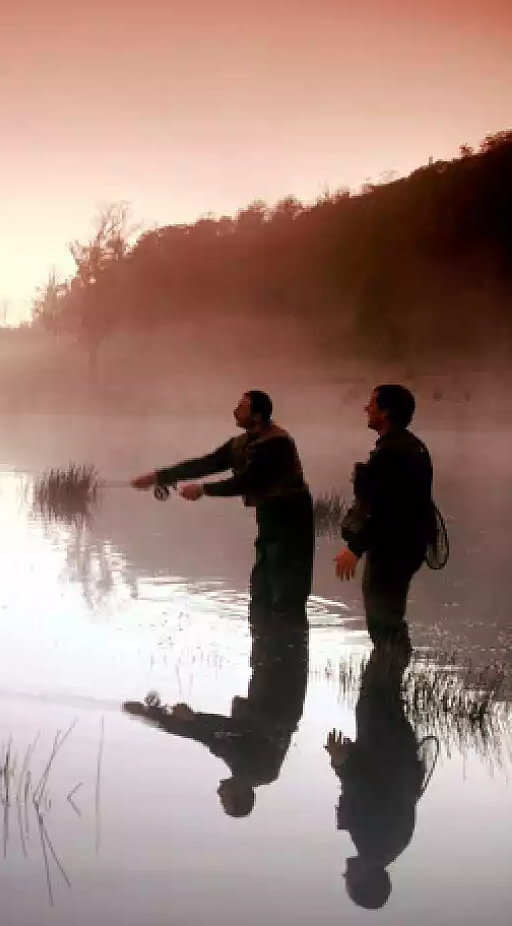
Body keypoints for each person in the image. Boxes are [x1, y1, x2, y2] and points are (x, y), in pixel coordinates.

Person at [131, 390, 315, 628]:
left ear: (257, 416)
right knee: (262, 591)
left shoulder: (276, 444)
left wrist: (203, 490)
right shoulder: (242, 443)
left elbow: (247, 482)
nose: (235, 411)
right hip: (270, 518)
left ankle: (289, 646)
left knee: (287, 595)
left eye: (242, 407)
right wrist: (158, 477)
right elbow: (206, 464)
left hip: (292, 520)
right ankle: (264, 644)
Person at [122, 612, 309, 818]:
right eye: (223, 799)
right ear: (240, 795)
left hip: (271, 682)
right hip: (283, 683)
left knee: (265, 619)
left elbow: (206, 736)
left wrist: (152, 715)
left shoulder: (242, 767)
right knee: (283, 618)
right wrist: (194, 718)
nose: (219, 793)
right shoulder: (260, 771)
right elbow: (235, 730)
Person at [334, 384, 436, 651]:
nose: (366, 408)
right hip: (408, 546)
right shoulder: (413, 446)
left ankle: (388, 672)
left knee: (384, 624)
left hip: (393, 549)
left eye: (372, 404)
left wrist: (354, 548)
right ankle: (390, 670)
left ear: (385, 412)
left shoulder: (392, 453)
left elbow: (389, 511)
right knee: (389, 620)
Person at [325, 645, 427, 910]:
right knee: (378, 683)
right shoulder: (371, 844)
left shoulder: (394, 846)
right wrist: (342, 762)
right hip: (382, 738)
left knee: (385, 684)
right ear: (364, 881)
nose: (345, 875)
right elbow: (364, 788)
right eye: (349, 881)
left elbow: (380, 790)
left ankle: (392, 639)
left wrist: (350, 758)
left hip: (395, 742)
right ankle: (391, 635)